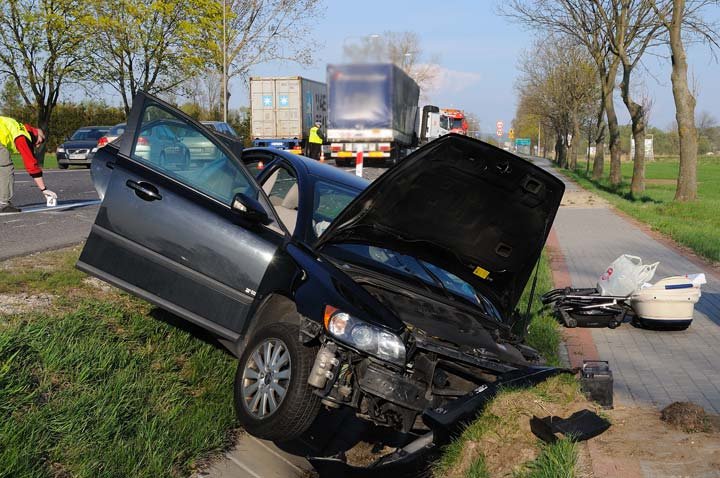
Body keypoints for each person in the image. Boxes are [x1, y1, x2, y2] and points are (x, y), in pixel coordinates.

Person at [0, 116, 56, 213]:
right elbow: (31, 164)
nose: (38, 145)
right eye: (41, 140)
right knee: (6, 168)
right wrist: (44, 189)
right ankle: (4, 204)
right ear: (37, 132)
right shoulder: (22, 136)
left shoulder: (21, 128)